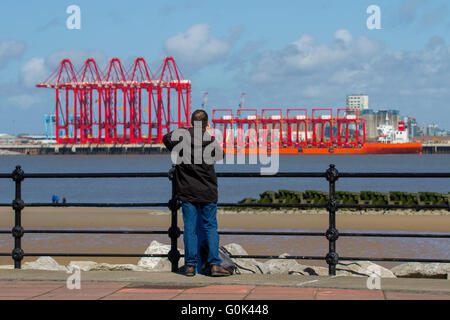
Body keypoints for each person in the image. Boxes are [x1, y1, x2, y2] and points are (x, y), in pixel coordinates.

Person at [163, 109, 230, 277]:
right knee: (210, 227)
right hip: (207, 191)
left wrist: (185, 129)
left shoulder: (182, 137)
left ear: (191, 122)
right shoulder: (209, 140)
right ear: (207, 123)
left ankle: (190, 266)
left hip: (187, 191)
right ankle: (215, 264)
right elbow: (220, 155)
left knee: (190, 229)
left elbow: (166, 138)